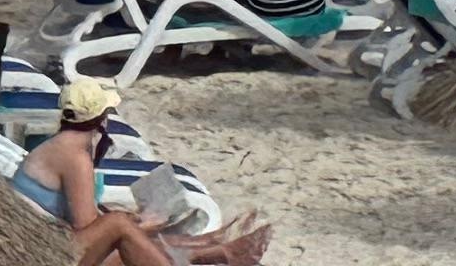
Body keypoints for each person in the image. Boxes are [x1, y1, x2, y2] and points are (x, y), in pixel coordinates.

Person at [15, 82, 269, 266]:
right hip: (47, 253)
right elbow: (88, 227)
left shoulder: (59, 143)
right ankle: (218, 250)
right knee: (120, 226)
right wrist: (142, 224)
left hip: (42, 240)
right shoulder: (74, 157)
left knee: (126, 228)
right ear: (101, 119)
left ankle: (216, 247)